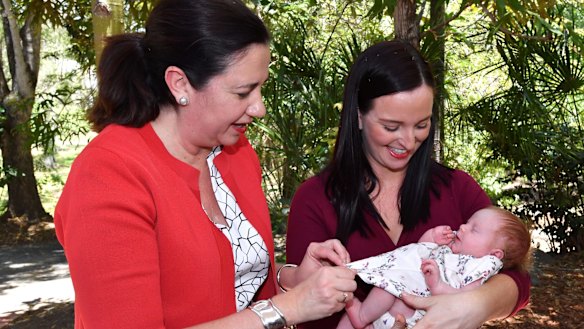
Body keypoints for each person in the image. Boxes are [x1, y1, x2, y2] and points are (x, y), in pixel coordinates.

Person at [53, 1, 359, 328]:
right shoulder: (109, 175)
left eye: (261, 87)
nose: (259, 108)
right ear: (180, 84)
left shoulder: (236, 153)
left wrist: (293, 279)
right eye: (244, 92)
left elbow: (232, 280)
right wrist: (287, 308)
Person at [285, 39, 531, 329]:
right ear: (358, 116)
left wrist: (473, 304)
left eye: (421, 125)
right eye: (391, 127)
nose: (408, 141)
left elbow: (518, 280)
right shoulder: (315, 199)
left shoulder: (457, 188)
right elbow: (306, 310)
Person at [338, 206, 532, 329]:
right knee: (389, 282)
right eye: (467, 223)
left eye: (474, 229)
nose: (462, 227)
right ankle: (362, 317)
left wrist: (438, 285)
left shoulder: (477, 270)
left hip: (410, 320)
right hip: (386, 310)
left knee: (392, 286)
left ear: (495, 256)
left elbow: (462, 298)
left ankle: (362, 316)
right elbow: (419, 253)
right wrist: (432, 237)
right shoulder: (451, 250)